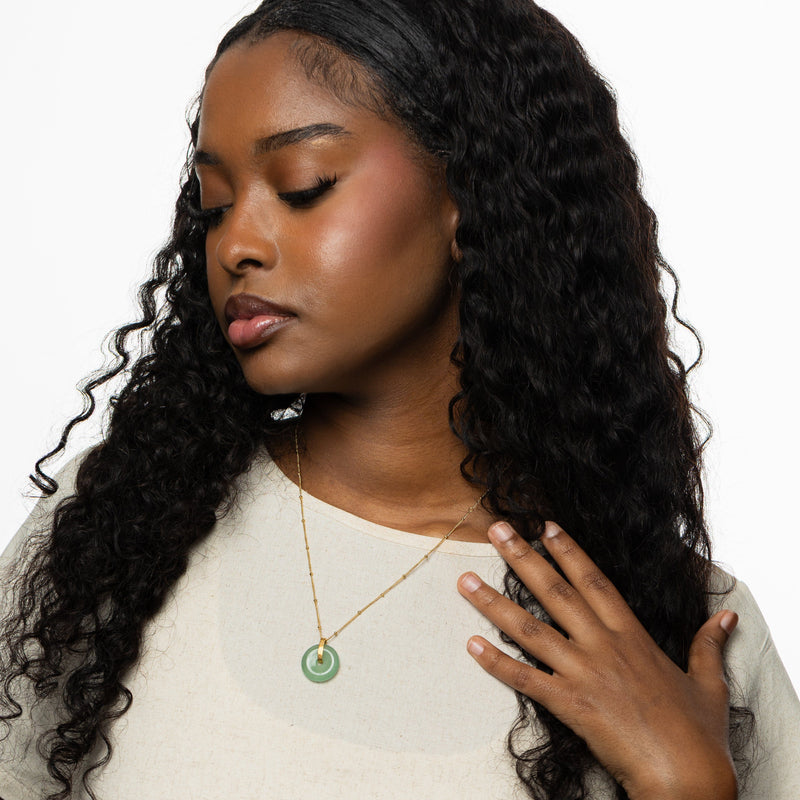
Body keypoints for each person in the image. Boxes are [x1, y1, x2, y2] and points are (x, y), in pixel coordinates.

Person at [1, 1, 798, 799]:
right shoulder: (119, 527)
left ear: (471, 194)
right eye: (213, 204)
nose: (235, 243)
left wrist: (690, 788)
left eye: (303, 186)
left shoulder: (684, 631)